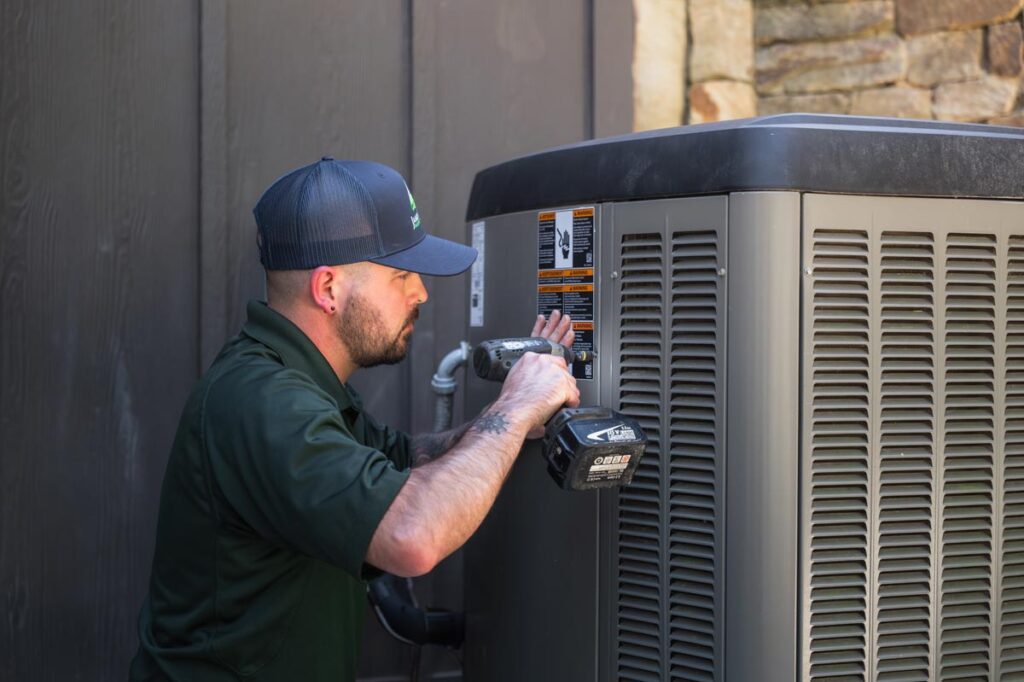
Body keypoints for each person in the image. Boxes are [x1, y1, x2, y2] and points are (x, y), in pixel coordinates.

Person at [130, 158, 580, 681]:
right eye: (402, 275)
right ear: (328, 289)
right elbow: (412, 536)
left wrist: (511, 419)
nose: (422, 293)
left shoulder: (301, 382)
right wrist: (514, 409)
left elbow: (403, 458)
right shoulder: (262, 402)